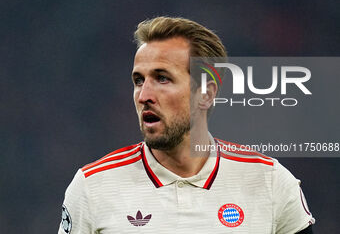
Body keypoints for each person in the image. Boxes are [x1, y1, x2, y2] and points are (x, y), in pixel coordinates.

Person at [58, 17, 315, 234]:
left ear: (206, 93)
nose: (144, 94)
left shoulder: (271, 182)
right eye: (138, 80)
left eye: (162, 78)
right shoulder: (92, 187)